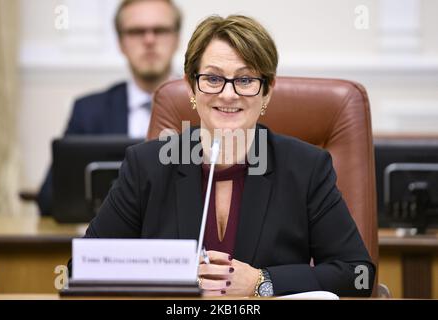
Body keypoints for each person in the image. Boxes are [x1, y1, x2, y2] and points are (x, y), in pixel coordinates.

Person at [81, 15, 376, 297]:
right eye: (212, 78)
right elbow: (83, 269)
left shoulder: (306, 167)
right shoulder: (147, 165)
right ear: (191, 86)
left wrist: (263, 281)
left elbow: (358, 275)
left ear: (268, 90)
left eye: (245, 80)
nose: (228, 94)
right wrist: (173, 276)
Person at [37, 0, 181, 215]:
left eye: (160, 30)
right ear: (121, 43)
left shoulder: (204, 106)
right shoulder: (88, 111)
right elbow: (50, 197)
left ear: (177, 39)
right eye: (136, 32)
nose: (149, 40)